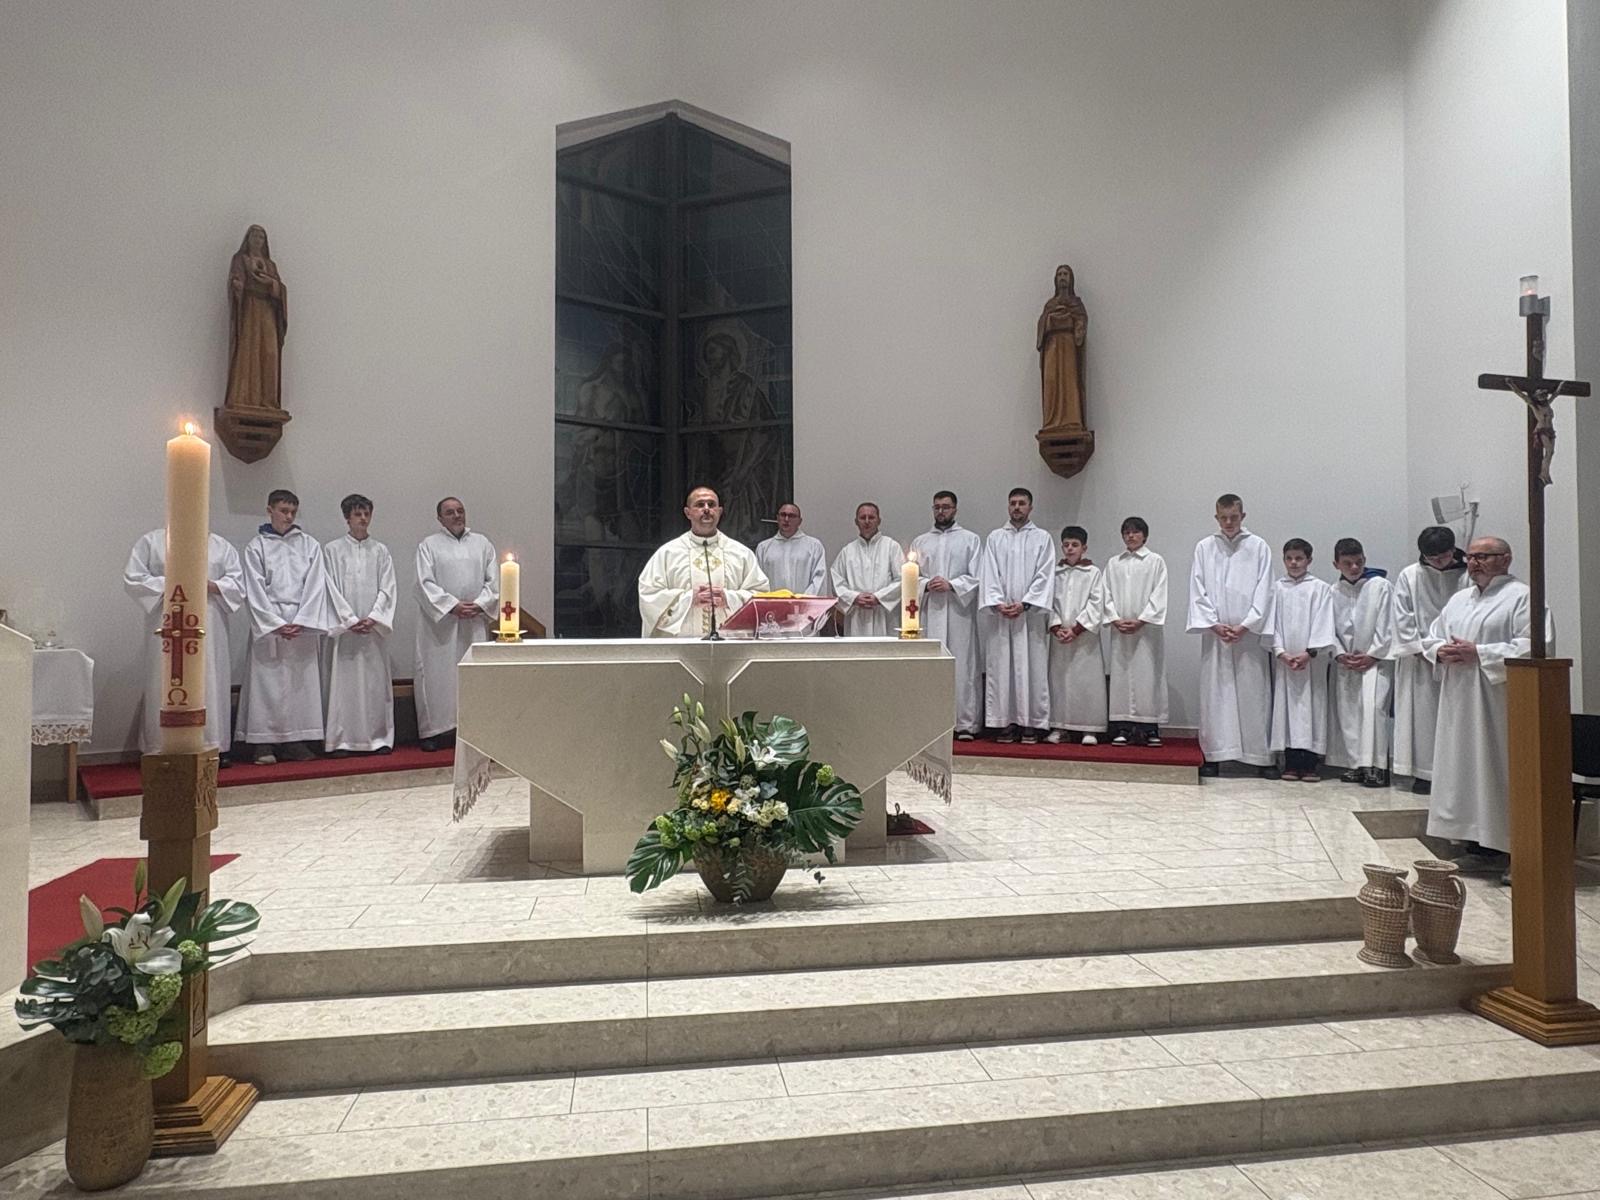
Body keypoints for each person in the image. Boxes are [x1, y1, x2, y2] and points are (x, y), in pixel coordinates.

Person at [1424, 536, 1544, 880]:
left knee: (1497, 770)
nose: (1474, 562)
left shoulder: (1523, 597)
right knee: (1464, 769)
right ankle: (1478, 848)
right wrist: (1438, 651)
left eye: (1484, 556)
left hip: (1498, 703)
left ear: (1505, 559)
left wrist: (1479, 653)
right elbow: (1433, 635)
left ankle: (1514, 851)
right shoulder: (1459, 599)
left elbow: (1535, 646)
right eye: (1472, 556)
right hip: (1458, 701)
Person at [124, 528, 245, 761]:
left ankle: (212, 746)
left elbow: (237, 585)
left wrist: (209, 585)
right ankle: (160, 746)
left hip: (209, 622)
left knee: (209, 679)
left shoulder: (221, 546)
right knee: (164, 679)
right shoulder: (152, 542)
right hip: (167, 619)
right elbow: (134, 578)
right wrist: (175, 582)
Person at [237, 489, 336, 763]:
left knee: (299, 686)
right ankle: (263, 743)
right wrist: (275, 623)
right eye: (283, 511)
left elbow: (316, 585)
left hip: (301, 622)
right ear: (270, 510)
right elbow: (253, 587)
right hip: (270, 622)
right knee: (267, 685)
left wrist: (303, 620)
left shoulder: (309, 545)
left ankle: (296, 740)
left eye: (293, 512)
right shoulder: (257, 546)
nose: (289, 517)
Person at [1188, 493, 1276, 777]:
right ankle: (1215, 754)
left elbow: (1265, 589)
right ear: (1216, 517)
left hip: (1247, 636)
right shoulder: (1205, 547)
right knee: (1217, 695)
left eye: (1234, 517)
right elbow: (1198, 589)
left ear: (1243, 516)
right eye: (1223, 518)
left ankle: (1260, 757)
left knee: (1253, 693)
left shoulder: (1258, 546)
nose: (1228, 522)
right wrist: (1214, 624)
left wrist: (1246, 624)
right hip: (1217, 636)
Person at [1390, 526, 1468, 794]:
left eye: (1443, 557)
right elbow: (1402, 617)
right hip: (1420, 660)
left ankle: (1457, 774)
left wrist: (1453, 651)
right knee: (1424, 719)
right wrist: (1425, 651)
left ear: (1453, 550)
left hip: (1458, 658)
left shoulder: (1467, 576)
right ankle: (1425, 773)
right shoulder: (1410, 575)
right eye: (1431, 558)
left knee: (1457, 718)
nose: (1438, 563)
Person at [414, 497, 497, 749]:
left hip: (473, 623)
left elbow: (493, 581)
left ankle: (472, 731)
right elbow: (424, 583)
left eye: (460, 510)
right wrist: (452, 605)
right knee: (438, 677)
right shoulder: (429, 545)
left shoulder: (482, 544)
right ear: (440, 518)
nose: (457, 515)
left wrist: (480, 604)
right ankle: (434, 732)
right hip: (440, 628)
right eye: (450, 512)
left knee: (472, 676)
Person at [638, 486, 768, 637]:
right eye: (700, 505)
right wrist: (689, 599)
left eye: (711, 505)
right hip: (681, 644)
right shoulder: (668, 553)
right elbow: (649, 597)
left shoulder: (742, 554)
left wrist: (728, 598)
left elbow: (761, 596)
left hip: (729, 645)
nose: (706, 509)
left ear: (719, 511)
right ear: (688, 513)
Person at [979, 488, 1056, 743]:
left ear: (1030, 508)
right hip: (1001, 617)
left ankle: (1030, 723)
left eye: (1022, 503)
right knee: (1001, 669)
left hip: (1029, 618)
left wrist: (1026, 603)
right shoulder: (995, 538)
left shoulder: (1042, 538)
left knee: (1030, 669)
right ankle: (1004, 722)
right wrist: (998, 603)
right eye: (1013, 503)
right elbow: (989, 572)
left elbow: (1045, 574)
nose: (1017, 507)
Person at [323, 494, 397, 755]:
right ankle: (342, 741)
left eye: (366, 513)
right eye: (357, 514)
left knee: (374, 685)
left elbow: (388, 588)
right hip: (346, 632)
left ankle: (378, 739)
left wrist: (374, 617)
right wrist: (350, 620)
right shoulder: (332, 550)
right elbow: (330, 588)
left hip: (372, 631)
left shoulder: (380, 551)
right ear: (347, 518)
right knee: (345, 687)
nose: (363, 518)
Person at [909, 491, 983, 739]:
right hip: (930, 612)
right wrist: (926, 584)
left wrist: (952, 584)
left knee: (962, 666)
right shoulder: (921, 542)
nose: (941, 512)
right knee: (931, 667)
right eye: (937, 507)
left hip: (959, 613)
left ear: (955, 509)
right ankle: (931, 724)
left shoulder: (970, 540)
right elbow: (910, 576)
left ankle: (965, 723)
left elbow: (978, 576)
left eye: (946, 507)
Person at [1328, 537, 1395, 788]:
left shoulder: (1381, 586)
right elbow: (1327, 627)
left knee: (1374, 710)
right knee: (1349, 713)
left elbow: (1388, 624)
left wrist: (1373, 654)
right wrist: (1338, 653)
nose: (1354, 568)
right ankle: (1355, 764)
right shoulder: (1333, 592)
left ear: (1365, 559)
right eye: (1347, 563)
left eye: (1358, 562)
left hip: (1375, 662)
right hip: (1346, 662)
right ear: (1336, 564)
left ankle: (1377, 767)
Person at [1268, 539, 1336, 782]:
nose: (1294, 563)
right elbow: (1271, 624)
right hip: (1285, 661)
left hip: (1312, 662)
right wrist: (1281, 652)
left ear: (1309, 560)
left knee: (1311, 708)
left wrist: (1310, 652)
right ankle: (1290, 762)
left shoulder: (1320, 588)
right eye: (1289, 558)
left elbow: (1324, 623)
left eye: (1299, 558)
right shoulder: (1276, 589)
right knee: (1286, 709)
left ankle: (1310, 764)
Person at [1103, 516, 1169, 748]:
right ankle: (1122, 727)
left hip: (1146, 632)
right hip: (1120, 630)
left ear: (1145, 535)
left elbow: (1159, 594)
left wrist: (1141, 620)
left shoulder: (1155, 561)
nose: (1131, 536)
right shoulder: (1114, 563)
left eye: (1135, 532)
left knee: (1147, 677)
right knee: (1121, 676)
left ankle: (1149, 728)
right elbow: (1105, 594)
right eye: (1127, 532)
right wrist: (1114, 618)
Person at [1046, 525, 1106, 745]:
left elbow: (1096, 603)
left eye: (1075, 545)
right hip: (1060, 636)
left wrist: (1077, 629)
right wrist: (1056, 627)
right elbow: (1048, 601)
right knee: (1059, 681)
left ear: (1084, 548)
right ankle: (1059, 726)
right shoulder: (1054, 573)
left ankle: (1089, 728)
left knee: (1086, 682)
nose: (1070, 549)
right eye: (1066, 545)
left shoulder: (1093, 573)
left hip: (1084, 638)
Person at [831, 502, 904, 637]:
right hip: (856, 617)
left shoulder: (891, 547)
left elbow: (902, 580)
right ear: (856, 521)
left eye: (871, 517)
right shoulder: (847, 551)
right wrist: (854, 597)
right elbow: (837, 583)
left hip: (884, 615)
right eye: (862, 517)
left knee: (885, 649)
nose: (867, 521)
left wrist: (879, 597)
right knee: (857, 649)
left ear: (879, 521)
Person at [755, 503, 829, 595]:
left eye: (791, 516)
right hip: (773, 603)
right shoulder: (763, 548)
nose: (786, 519)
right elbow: (759, 581)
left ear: (799, 521)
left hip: (806, 603)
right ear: (777, 518)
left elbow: (819, 578)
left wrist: (803, 600)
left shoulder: (814, 546)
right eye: (783, 515)